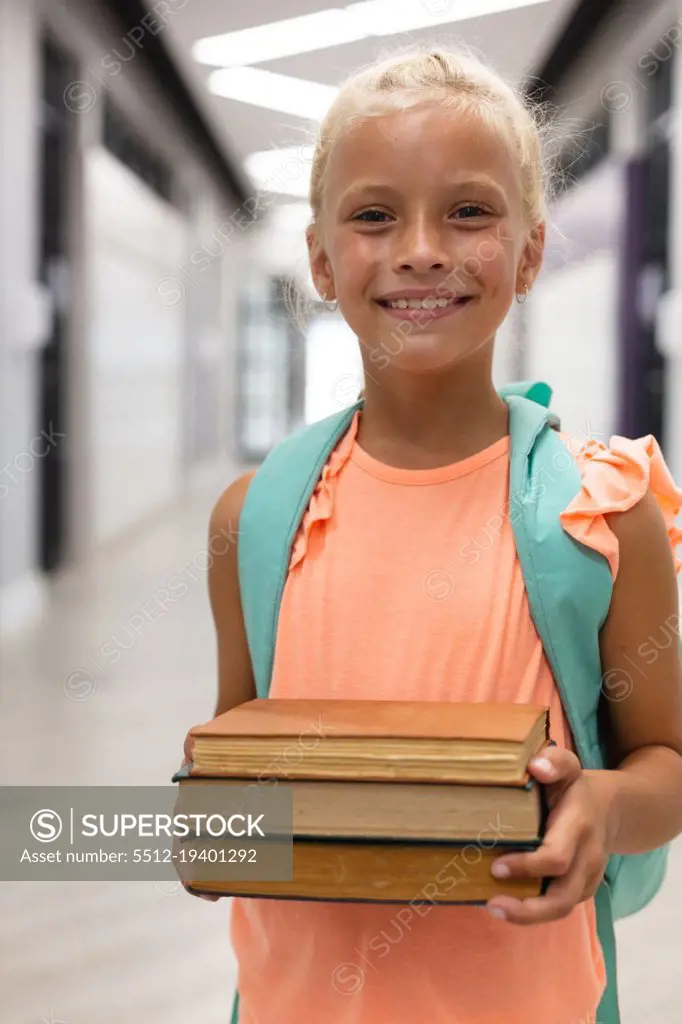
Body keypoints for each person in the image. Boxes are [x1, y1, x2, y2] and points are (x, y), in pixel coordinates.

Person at [183, 47, 682, 1024]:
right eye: (373, 215)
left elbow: (666, 763)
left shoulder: (602, 511)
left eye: (468, 211)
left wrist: (601, 807)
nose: (420, 248)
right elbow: (234, 760)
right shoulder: (253, 520)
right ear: (322, 259)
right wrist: (219, 834)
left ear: (530, 250)